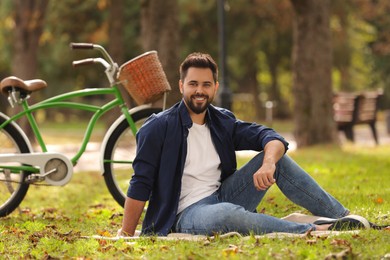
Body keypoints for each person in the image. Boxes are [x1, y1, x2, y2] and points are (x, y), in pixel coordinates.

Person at [118, 52, 370, 237]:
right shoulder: (157, 128)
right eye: (193, 84)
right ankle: (314, 230)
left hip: (223, 194)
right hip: (185, 213)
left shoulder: (221, 121)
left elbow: (270, 136)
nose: (199, 91)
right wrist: (127, 234)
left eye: (206, 84)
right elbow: (140, 183)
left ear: (215, 88)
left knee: (276, 158)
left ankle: (344, 217)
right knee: (227, 214)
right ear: (182, 86)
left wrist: (269, 163)